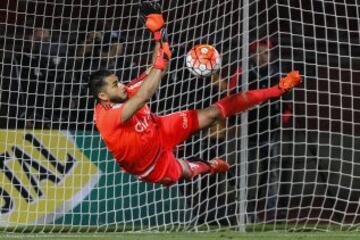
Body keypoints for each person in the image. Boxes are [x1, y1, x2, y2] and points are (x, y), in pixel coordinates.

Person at [88, 2, 302, 186]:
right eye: (115, 85)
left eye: (120, 81)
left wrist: (158, 33)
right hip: (150, 165)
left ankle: (277, 89)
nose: (123, 85)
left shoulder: (124, 92)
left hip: (159, 130)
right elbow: (144, 94)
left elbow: (157, 65)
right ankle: (208, 166)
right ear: (103, 96)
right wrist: (161, 61)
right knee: (186, 172)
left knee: (213, 114)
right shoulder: (107, 117)